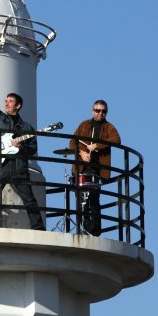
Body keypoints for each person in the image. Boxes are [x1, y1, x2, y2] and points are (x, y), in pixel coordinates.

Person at [0, 66, 45, 230]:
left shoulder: (27, 128)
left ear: (18, 106)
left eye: (10, 101)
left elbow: (32, 149)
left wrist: (21, 148)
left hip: (19, 168)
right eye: (6, 101)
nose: (6, 103)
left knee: (29, 199)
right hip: (0, 167)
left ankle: (38, 228)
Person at [68, 100, 121, 236]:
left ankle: (95, 229)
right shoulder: (84, 124)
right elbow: (72, 142)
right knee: (81, 197)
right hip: (81, 167)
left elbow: (116, 140)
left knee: (93, 198)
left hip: (97, 168)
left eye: (103, 111)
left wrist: (96, 145)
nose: (100, 113)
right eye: (97, 110)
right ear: (92, 111)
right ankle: (84, 226)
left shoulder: (108, 127)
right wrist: (82, 152)